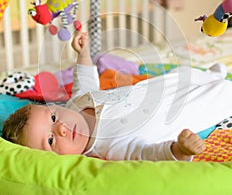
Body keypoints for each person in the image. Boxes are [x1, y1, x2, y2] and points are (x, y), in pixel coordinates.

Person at [3, 31, 232, 161]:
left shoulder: (74, 107)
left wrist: (82, 54)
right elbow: (146, 155)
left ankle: (214, 73)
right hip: (185, 109)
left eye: (53, 118)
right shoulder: (108, 148)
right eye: (51, 141)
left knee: (186, 74)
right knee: (222, 94)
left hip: (160, 87)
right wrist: (179, 151)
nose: (61, 128)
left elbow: (85, 82)